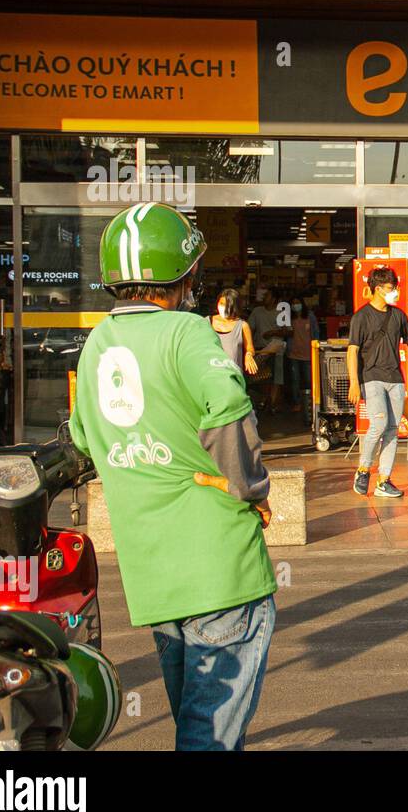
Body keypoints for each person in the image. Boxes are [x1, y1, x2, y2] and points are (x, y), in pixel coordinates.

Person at [68, 202, 276, 750]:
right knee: (209, 731)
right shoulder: (186, 333)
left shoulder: (95, 345)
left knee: (193, 722)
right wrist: (250, 488)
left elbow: (85, 437)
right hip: (219, 565)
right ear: (184, 275)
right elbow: (229, 409)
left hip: (154, 573)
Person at [347, 267, 408, 498]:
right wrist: (354, 383)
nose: (394, 292)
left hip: (395, 378)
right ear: (378, 289)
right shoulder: (361, 317)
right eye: (390, 288)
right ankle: (364, 469)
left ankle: (384, 480)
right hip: (371, 377)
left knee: (393, 430)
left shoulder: (398, 316)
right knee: (379, 424)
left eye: (395, 287)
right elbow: (352, 351)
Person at [248, 287, 290, 412]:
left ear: (274, 299)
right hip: (261, 349)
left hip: (276, 350)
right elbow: (249, 328)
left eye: (267, 295)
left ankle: (271, 403)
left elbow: (289, 331)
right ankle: (264, 400)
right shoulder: (257, 311)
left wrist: (273, 332)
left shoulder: (281, 312)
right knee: (261, 378)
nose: (264, 297)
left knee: (276, 378)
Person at [210, 288, 258, 377]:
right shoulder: (207, 322)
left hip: (233, 376)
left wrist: (248, 355)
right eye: (221, 303)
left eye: (228, 305)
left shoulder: (243, 325)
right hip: (210, 374)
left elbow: (250, 348)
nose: (224, 307)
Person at [286, 296, 315, 414]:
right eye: (293, 303)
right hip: (294, 353)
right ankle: (297, 402)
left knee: (308, 379)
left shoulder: (310, 316)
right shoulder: (288, 317)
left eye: (297, 302)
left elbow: (316, 332)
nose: (295, 305)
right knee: (295, 380)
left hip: (308, 353)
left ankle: (310, 402)